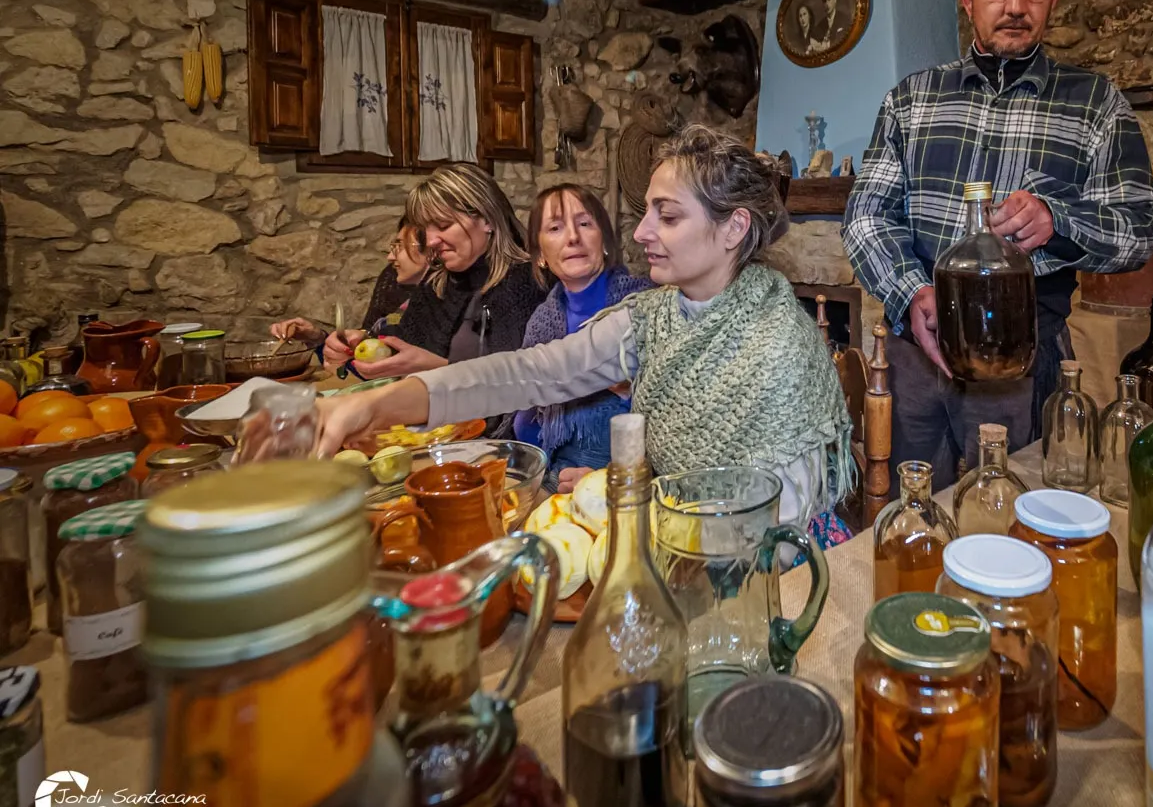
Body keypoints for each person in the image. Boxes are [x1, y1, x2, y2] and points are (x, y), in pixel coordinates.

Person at [316, 125, 855, 546]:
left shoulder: (780, 343)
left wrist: (637, 498)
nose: (641, 232)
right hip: (677, 545)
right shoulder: (656, 315)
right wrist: (378, 406)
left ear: (734, 228)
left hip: (781, 579)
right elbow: (532, 373)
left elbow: (775, 527)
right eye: (647, 213)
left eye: (665, 216)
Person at [843, 0, 1153, 492]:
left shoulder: (1095, 105)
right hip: (917, 348)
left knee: (1008, 512)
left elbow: (1139, 228)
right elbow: (865, 216)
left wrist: (1059, 220)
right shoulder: (911, 101)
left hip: (1020, 358)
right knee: (910, 506)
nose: (1015, 6)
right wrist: (910, 291)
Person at [324, 163, 546, 377]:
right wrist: (360, 344)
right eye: (424, 230)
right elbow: (404, 346)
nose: (430, 241)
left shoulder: (529, 283)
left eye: (443, 226)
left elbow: (524, 384)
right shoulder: (438, 284)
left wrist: (437, 369)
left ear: (487, 219)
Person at [513, 183, 652, 493]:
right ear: (540, 256)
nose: (573, 237)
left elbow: (671, 424)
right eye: (555, 228)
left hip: (627, 488)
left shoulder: (644, 307)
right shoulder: (540, 327)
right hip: (551, 486)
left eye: (585, 223)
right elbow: (527, 431)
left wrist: (608, 479)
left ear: (603, 240)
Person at [271, 219, 431, 347]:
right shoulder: (391, 276)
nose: (390, 256)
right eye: (393, 246)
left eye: (399, 246)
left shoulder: (447, 303)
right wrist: (316, 337)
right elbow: (369, 341)